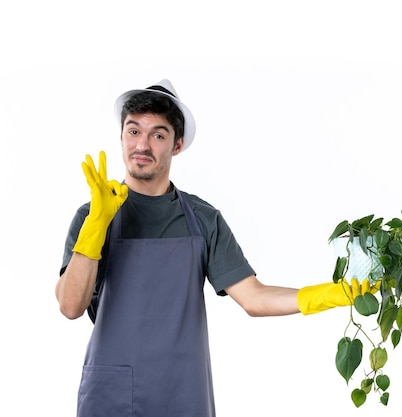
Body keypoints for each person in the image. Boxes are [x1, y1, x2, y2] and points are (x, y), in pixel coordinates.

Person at [55, 79, 378, 417]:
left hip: (183, 392)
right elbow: (70, 306)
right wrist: (95, 226)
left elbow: (253, 297)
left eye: (158, 135)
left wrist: (330, 294)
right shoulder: (92, 214)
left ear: (177, 145)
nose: (143, 145)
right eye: (134, 131)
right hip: (112, 396)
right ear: (121, 136)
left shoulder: (203, 219)